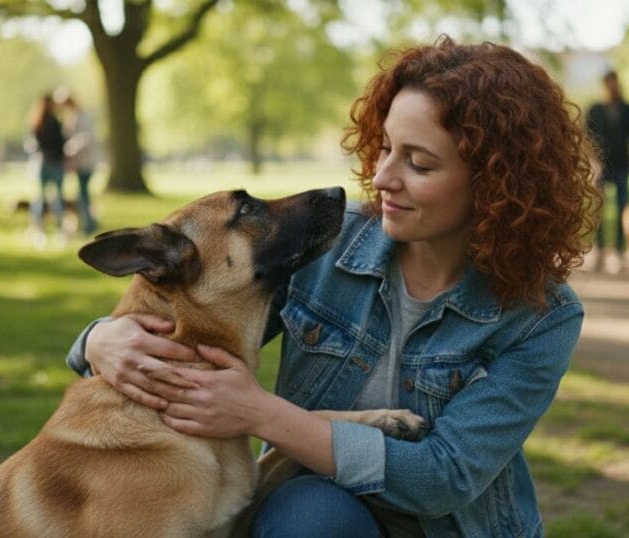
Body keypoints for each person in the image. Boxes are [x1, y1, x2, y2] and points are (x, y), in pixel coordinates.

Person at [66, 37, 600, 537]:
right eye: (387, 147)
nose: (384, 176)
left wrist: (260, 414)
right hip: (320, 507)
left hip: (447, 526)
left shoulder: (541, 316)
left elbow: (445, 478)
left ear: (494, 184)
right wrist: (96, 341)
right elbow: (192, 320)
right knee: (313, 517)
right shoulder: (326, 245)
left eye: (418, 162)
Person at [585, 70, 629, 273]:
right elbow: (587, 137)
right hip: (602, 167)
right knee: (600, 211)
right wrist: (591, 162)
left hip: (622, 165)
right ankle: (600, 249)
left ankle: (621, 251)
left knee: (624, 209)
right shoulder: (595, 110)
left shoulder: (628, 110)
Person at [56, 88, 100, 235]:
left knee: (83, 194)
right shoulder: (72, 117)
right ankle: (88, 222)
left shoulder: (83, 116)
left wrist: (70, 149)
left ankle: (89, 224)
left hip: (86, 162)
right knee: (82, 193)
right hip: (79, 163)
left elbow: (86, 137)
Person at [28, 93, 67, 248]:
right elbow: (60, 143)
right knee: (54, 197)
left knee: (42, 197)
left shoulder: (37, 122)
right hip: (53, 162)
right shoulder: (53, 122)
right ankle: (56, 229)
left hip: (43, 162)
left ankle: (39, 229)